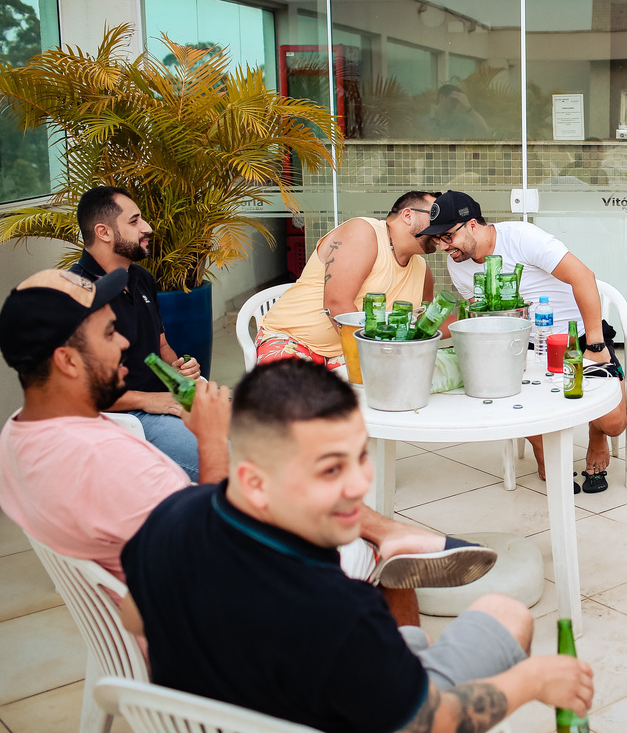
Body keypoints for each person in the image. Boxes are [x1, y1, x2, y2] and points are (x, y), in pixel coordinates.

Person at [119, 360, 593, 733]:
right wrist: (534, 681)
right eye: (329, 469)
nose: (358, 484)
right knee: (508, 614)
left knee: (403, 623)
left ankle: (399, 658)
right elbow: (430, 724)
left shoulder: (169, 519)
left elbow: (133, 616)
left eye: (360, 456)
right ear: (255, 482)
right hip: (360, 715)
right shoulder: (336, 612)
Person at [0, 269, 495, 592]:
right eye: (109, 334)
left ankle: (393, 540)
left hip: (184, 577)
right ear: (66, 360)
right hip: (229, 613)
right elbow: (214, 546)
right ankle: (397, 680)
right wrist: (211, 438)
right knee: (358, 544)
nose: (125, 341)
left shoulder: (21, 436)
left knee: (296, 481)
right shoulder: (103, 462)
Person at [419, 190, 627, 494]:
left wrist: (595, 344)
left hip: (577, 336)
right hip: (521, 347)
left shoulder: (521, 237)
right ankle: (542, 449)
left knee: (614, 422)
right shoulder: (459, 264)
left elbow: (583, 276)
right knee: (513, 404)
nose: (443, 247)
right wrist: (425, 334)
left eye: (448, 236)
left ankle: (597, 436)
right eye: (438, 240)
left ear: (472, 225)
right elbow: (483, 316)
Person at [68, 186, 203, 479]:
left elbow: (161, 344)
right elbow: (82, 392)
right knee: (222, 458)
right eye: (134, 221)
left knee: (257, 433)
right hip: (125, 416)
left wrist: (179, 369)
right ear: (104, 232)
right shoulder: (77, 294)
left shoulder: (141, 278)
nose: (147, 228)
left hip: (164, 400)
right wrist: (149, 401)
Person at [257, 191, 437, 369]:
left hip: (348, 352)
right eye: (436, 215)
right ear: (408, 215)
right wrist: (378, 362)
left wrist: (464, 320)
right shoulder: (363, 232)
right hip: (294, 341)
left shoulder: (423, 272)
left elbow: (421, 329)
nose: (443, 227)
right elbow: (337, 304)